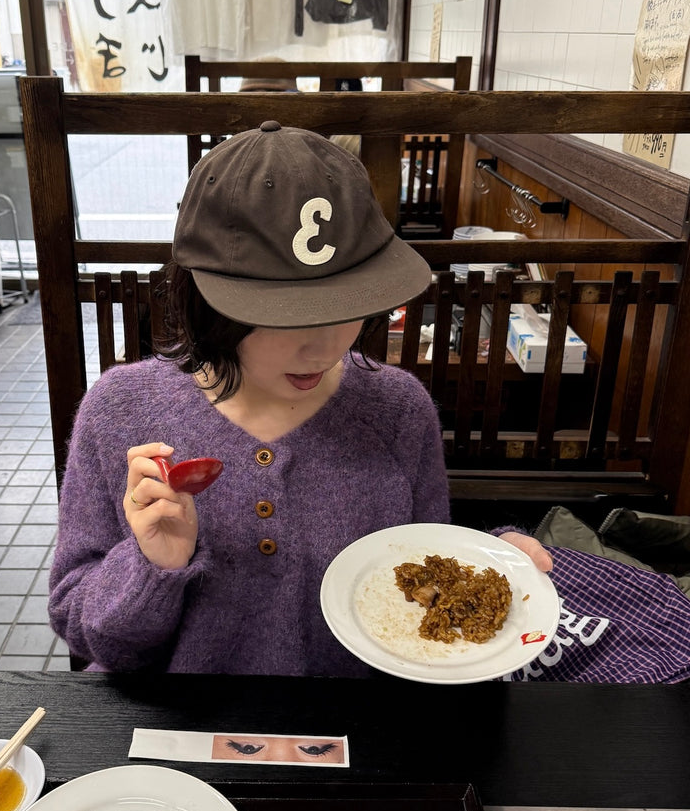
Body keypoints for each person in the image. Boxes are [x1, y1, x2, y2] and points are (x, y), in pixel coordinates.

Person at [49, 121, 551, 676]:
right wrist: (152, 568)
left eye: (349, 306)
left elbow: (420, 571)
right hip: (171, 721)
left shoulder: (397, 410)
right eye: (287, 316)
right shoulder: (122, 411)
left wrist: (493, 570)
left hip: (353, 719)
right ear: (207, 300)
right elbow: (82, 627)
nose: (327, 347)